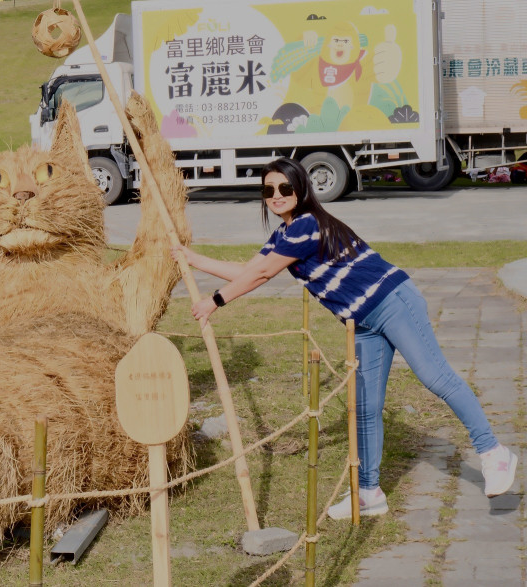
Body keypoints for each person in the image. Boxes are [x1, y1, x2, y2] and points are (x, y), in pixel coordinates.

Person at [173, 157, 518, 519]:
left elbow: (260, 275)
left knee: (436, 377)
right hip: (361, 321)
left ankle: (494, 453)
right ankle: (369, 492)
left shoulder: (306, 224)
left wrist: (214, 301)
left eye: (285, 188)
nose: (276, 196)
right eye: (268, 190)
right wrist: (192, 258)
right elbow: (247, 270)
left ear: (301, 189)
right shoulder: (284, 234)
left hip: (391, 300)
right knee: (365, 408)